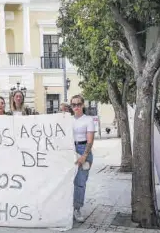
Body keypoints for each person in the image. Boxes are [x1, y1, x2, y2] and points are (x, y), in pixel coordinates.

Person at [70, 94, 95, 223]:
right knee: (69, 182)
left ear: (83, 105)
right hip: (70, 150)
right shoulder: (69, 119)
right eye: (73, 105)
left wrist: (84, 156)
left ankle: (77, 208)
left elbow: (90, 140)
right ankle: (68, 207)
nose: (76, 107)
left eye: (78, 104)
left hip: (83, 149)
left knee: (80, 182)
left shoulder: (88, 120)